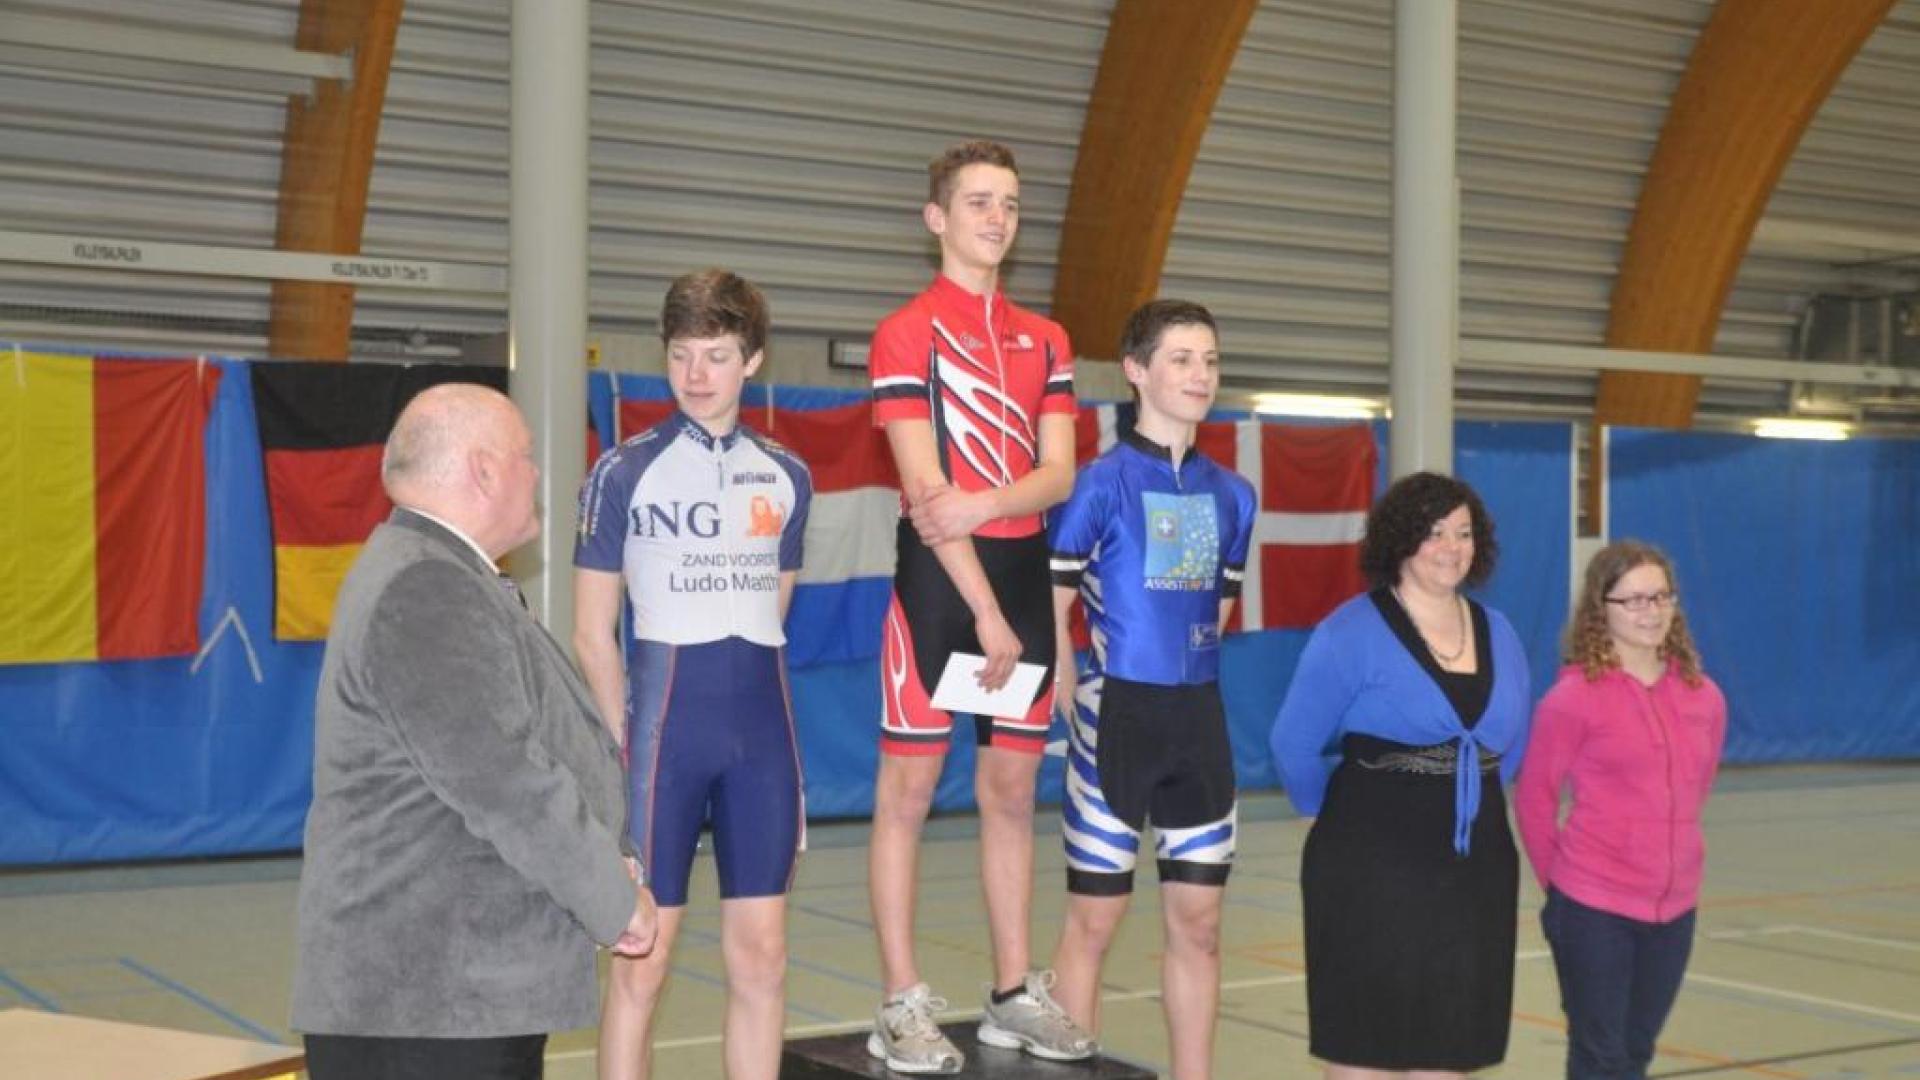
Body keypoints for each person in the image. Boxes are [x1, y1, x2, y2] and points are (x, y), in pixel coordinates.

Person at [293, 384, 656, 1080]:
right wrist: (612, 902)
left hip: (445, 1000)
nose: (538, 474)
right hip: (429, 1007)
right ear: (484, 470)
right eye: (526, 456)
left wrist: (611, 851)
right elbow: (507, 783)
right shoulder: (428, 586)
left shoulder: (434, 570)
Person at [865, 138, 1091, 1074]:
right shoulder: (906, 332)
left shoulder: (1048, 339)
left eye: (1009, 204)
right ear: (938, 218)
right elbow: (928, 495)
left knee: (1010, 794)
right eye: (978, 202)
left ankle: (1010, 995)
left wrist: (990, 503)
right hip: (938, 587)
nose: (997, 219)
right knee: (908, 795)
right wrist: (985, 611)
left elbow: (1058, 473)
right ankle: (899, 1003)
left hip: (1020, 577)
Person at [574, 270, 812, 1080]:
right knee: (642, 960)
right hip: (662, 741)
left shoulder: (788, 476)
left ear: (753, 360)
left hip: (762, 739)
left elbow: (773, 611)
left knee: (764, 956)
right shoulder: (622, 472)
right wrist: (623, 746)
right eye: (681, 355)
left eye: (716, 355)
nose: (697, 374)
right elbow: (592, 632)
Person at [1046, 300, 1255, 1080]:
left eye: (1210, 360)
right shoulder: (1098, 485)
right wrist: (1072, 690)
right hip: (1116, 719)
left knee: (1199, 924)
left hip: (1198, 723)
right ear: (1136, 370)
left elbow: (1216, 612)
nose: (1200, 374)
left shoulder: (1234, 496)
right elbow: (1052, 605)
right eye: (1181, 359)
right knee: (1094, 921)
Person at [1269, 471, 1533, 1078]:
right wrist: (1333, 817)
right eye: (1433, 532)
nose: (1451, 547)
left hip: (1475, 868)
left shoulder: (1500, 631)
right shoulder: (1350, 630)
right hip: (1369, 865)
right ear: (1401, 540)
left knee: (1453, 1046)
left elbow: (1513, 744)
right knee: (1365, 1047)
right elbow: (1293, 743)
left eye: (1463, 533)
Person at [1515, 541, 1727, 1080]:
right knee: (1599, 1057)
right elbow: (1535, 799)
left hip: (1675, 910)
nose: (1650, 611)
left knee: (1636, 1053)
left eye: (1660, 597)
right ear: (1600, 608)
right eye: (1632, 600)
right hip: (1593, 906)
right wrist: (1561, 888)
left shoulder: (1705, 697)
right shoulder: (1572, 700)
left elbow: (1696, 788)